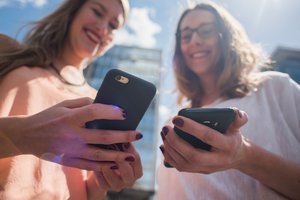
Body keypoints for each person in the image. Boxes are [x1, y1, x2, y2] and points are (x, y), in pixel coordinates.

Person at [0, 0, 144, 199]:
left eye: (113, 25)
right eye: (97, 12)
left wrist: (102, 182)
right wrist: (21, 136)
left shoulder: (100, 103)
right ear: (74, 10)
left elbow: (82, 189)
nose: (103, 28)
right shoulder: (8, 51)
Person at [157, 2, 300, 200]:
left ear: (227, 36)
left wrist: (244, 156)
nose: (194, 41)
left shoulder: (275, 89)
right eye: (186, 36)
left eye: (205, 31)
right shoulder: (173, 125)